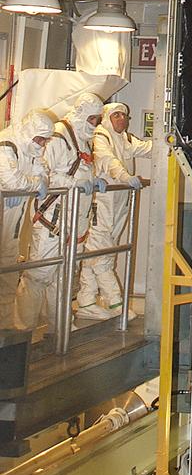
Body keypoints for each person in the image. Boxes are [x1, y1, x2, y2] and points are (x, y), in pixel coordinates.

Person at [16, 92, 105, 333]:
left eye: (97, 120)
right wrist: (72, 183)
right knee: (39, 275)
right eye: (93, 119)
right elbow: (42, 173)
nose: (95, 125)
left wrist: (94, 180)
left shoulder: (83, 139)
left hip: (74, 221)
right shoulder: (57, 136)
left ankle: (60, 327)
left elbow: (80, 170)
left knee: (66, 276)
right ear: (82, 115)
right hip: (52, 220)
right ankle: (22, 330)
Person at [78, 102, 152, 319]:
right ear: (107, 117)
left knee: (98, 251)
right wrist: (125, 177)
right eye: (116, 115)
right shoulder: (101, 136)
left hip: (119, 205)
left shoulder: (125, 139)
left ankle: (86, 301)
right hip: (101, 203)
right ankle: (115, 303)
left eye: (124, 115)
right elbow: (108, 161)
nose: (121, 119)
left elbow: (147, 148)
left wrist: (171, 143)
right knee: (101, 253)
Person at [0, 109, 53, 329]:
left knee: (8, 267)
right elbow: (11, 180)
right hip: (6, 212)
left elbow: (44, 174)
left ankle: (4, 326)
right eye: (39, 138)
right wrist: (30, 185)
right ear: (30, 132)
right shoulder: (7, 144)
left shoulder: (30, 148)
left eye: (44, 139)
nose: (41, 143)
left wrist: (29, 184)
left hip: (12, 218)